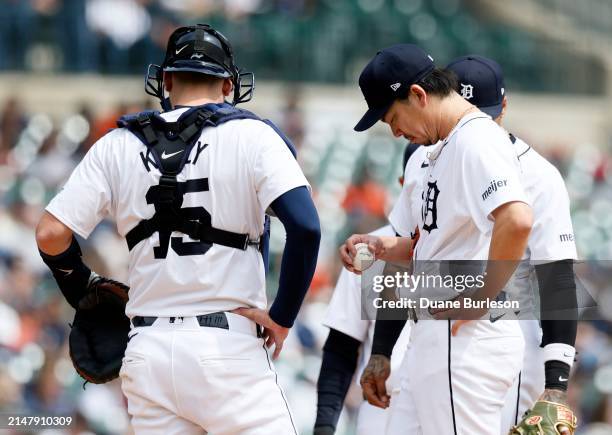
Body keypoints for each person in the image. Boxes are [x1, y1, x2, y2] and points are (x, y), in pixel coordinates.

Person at [35, 23, 320, 434]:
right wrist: (283, 315)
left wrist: (82, 290)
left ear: (165, 80)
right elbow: (307, 228)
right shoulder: (253, 135)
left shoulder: (116, 144)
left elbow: (49, 234)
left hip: (147, 353)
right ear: (228, 86)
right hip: (226, 347)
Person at [341, 44, 533, 434]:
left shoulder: (474, 139)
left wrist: (482, 297)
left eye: (393, 117)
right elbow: (431, 247)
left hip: (463, 338)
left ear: (418, 95)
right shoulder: (446, 146)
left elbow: (517, 219)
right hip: (435, 333)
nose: (395, 132)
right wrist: (382, 247)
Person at [446, 55, 578, 433]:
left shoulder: (538, 175)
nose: (479, 128)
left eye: (486, 115)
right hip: (436, 333)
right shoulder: (429, 160)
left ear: (503, 107)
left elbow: (557, 278)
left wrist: (556, 384)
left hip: (509, 339)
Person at [312, 144, 420, 435]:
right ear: (403, 185)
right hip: (382, 411)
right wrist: (324, 426)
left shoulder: (478, 249)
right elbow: (342, 346)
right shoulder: (368, 248)